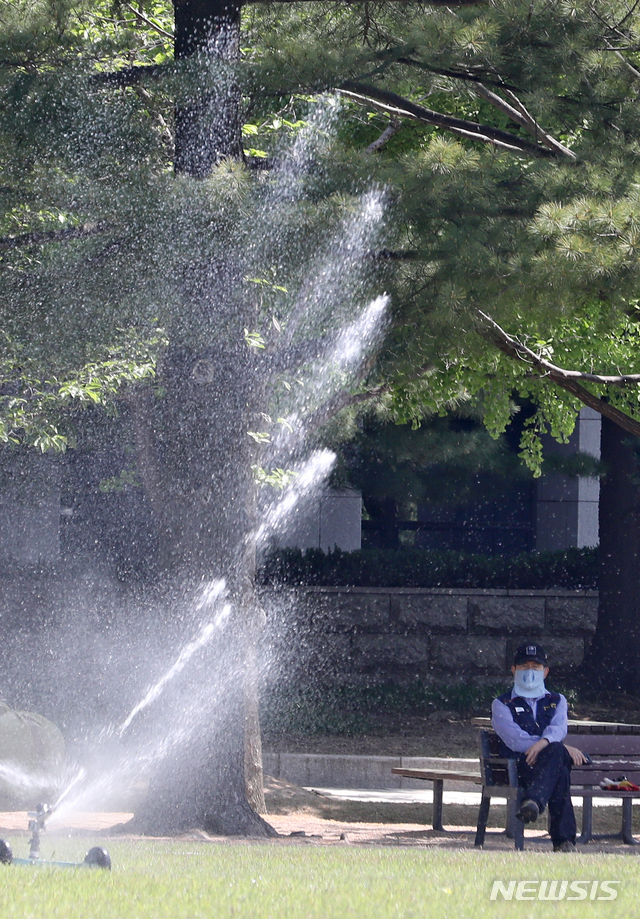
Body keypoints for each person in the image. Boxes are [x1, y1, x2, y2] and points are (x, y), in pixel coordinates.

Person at [491, 642, 588, 853]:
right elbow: (514, 739)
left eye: (535, 667)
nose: (530, 671)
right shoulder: (501, 703)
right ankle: (564, 841)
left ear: (545, 672)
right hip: (519, 767)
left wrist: (545, 744)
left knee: (558, 764)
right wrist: (553, 746)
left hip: (544, 769)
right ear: (514, 670)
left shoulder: (557, 700)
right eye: (524, 666)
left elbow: (558, 728)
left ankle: (534, 801)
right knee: (559, 762)